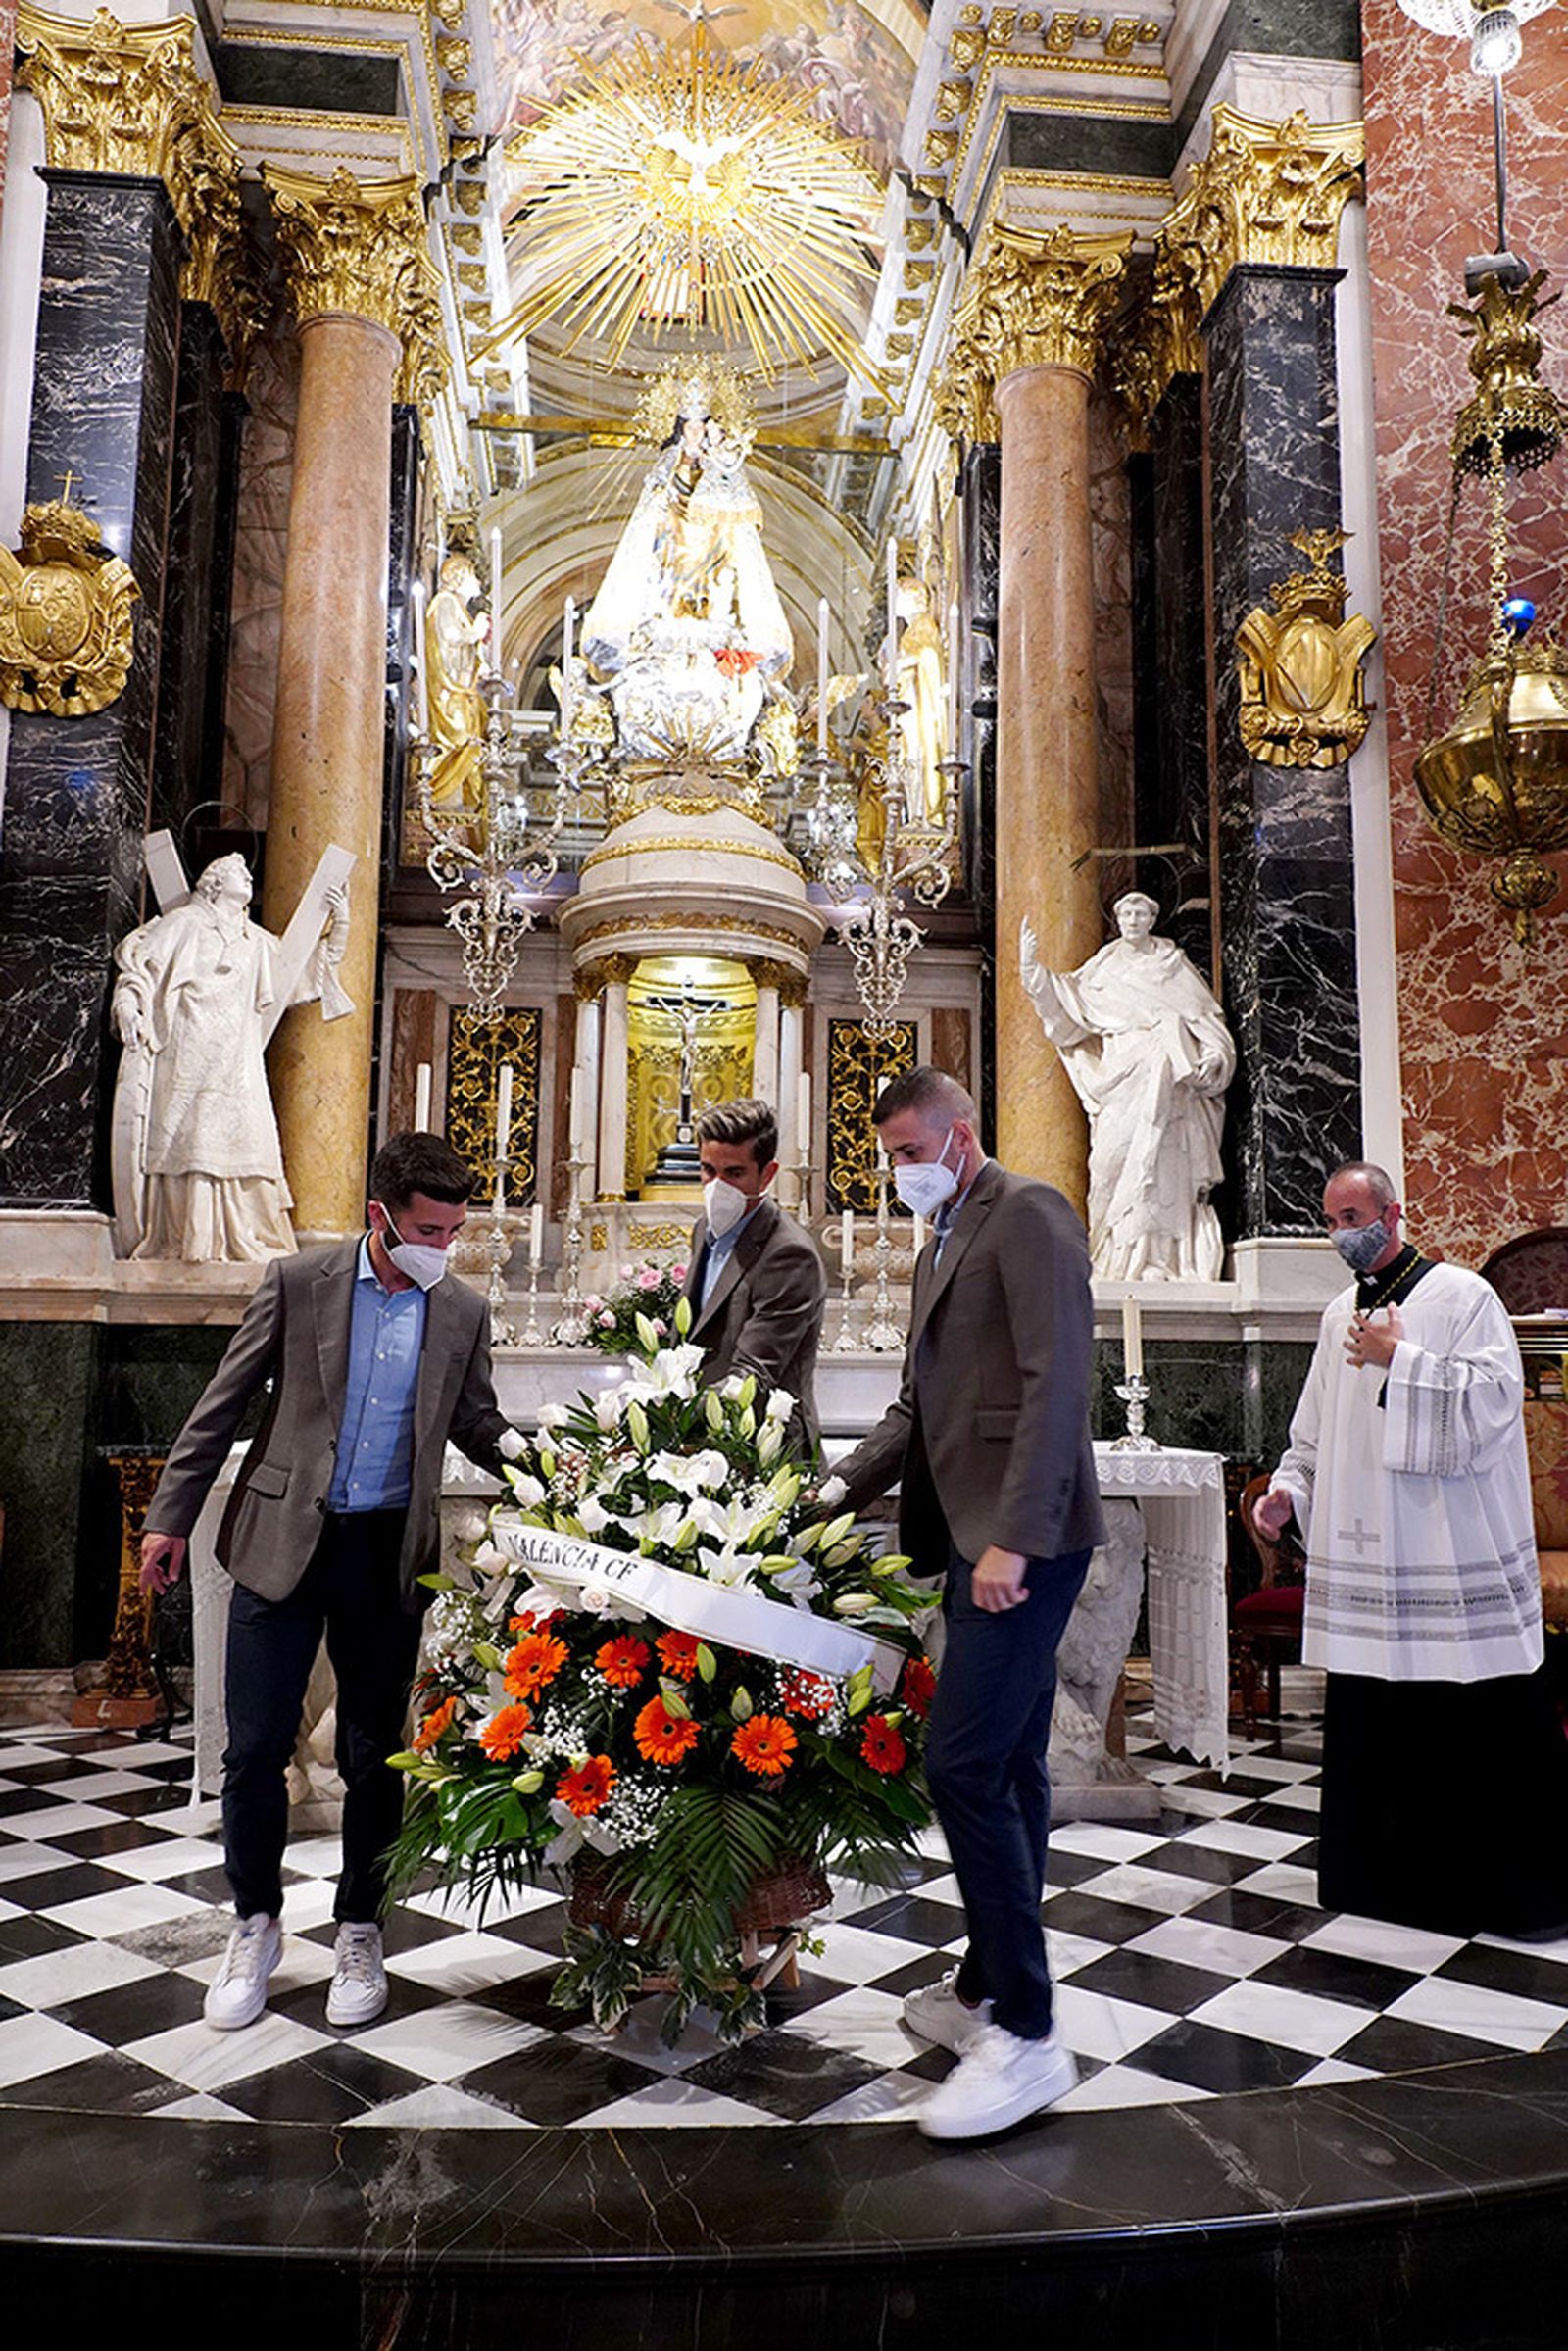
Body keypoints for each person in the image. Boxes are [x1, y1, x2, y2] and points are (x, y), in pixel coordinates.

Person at [138, 1133, 524, 2033]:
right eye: (429, 1229)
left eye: (455, 1231)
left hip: (385, 1552)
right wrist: (169, 1515)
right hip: (281, 1543)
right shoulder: (297, 1280)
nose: (444, 1247)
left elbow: (477, 1420)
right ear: (377, 1216)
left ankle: (360, 1926)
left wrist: (549, 1467)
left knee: (371, 1754)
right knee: (254, 1748)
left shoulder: (461, 1308)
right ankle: (255, 1923)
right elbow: (221, 1403)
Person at [832, 1067, 1104, 2140]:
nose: (900, 1170)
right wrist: (829, 1488)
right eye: (890, 1154)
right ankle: (991, 1985)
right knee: (1010, 1762)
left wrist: (1015, 1537)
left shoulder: (1028, 1211)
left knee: (959, 1764)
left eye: (911, 1150)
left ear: (960, 1134)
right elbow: (916, 1402)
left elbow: (1056, 1378)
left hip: (1018, 1542)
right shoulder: (940, 1236)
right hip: (966, 1536)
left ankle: (1029, 2033)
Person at [1255, 1161, 1568, 1937]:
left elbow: (1496, 1404)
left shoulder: (1463, 1297)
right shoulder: (1336, 1317)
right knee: (1377, 1717)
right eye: (1329, 1220)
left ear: (1393, 1214)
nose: (1341, 1234)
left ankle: (1498, 1895)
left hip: (1446, 1552)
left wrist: (1406, 1361)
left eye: (1352, 1216)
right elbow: (1315, 1432)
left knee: (1472, 1720)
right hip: (1370, 1564)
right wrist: (1290, 1491)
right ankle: (1382, 1885)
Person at [110, 852, 350, 1263]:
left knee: (247, 1136)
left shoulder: (254, 940)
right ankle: (188, 1237)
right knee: (190, 1137)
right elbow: (139, 971)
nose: (249, 878)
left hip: (236, 1061)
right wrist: (128, 1006)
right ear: (214, 882)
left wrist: (340, 924)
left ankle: (241, 1235)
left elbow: (301, 973)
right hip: (188, 1050)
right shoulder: (182, 924)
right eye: (239, 872)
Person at [1020, 892, 1234, 1282]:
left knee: (1164, 1169)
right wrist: (1033, 972)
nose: (1133, 920)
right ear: (1117, 921)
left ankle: (1162, 1257)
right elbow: (1068, 1009)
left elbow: (1208, 1023)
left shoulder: (1174, 967)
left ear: (1152, 919)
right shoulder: (1104, 970)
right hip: (1121, 1079)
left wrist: (1215, 1055)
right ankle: (1114, 1254)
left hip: (1170, 1086)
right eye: (1126, 914)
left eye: (1140, 913)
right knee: (1109, 1167)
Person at [680, 1098, 826, 1457]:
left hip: (764, 1451)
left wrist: (663, 1413)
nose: (717, 1186)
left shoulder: (789, 1253)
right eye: (708, 1170)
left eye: (734, 1173)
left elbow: (752, 1375)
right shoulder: (704, 1230)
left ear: (768, 1173)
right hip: (703, 1450)